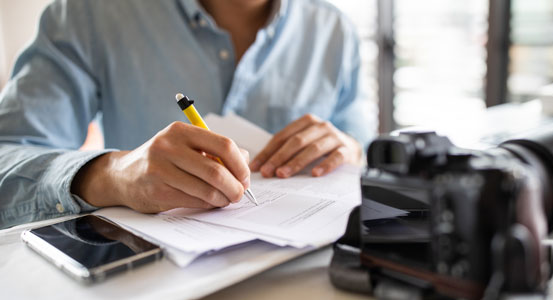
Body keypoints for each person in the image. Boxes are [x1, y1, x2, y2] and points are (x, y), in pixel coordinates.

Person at [0, 0, 376, 229]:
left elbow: (366, 154)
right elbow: (7, 157)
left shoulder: (334, 30)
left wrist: (352, 150)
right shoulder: (88, 14)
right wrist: (112, 175)